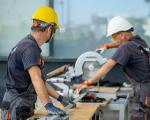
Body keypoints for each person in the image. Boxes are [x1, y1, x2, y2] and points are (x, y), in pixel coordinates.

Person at [1, 6, 75, 120]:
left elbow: (40, 82)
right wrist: (48, 105)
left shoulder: (28, 45)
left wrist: (61, 99)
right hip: (16, 106)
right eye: (54, 31)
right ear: (49, 28)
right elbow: (36, 79)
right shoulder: (30, 48)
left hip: (20, 104)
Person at [76, 16, 150, 120]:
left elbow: (106, 68)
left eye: (114, 36)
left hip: (143, 92)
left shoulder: (126, 47)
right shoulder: (139, 42)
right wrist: (107, 46)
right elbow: (120, 42)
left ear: (122, 34)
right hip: (146, 89)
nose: (114, 39)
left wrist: (87, 82)